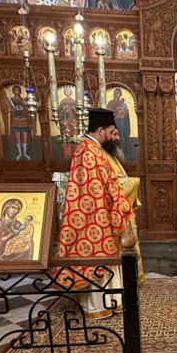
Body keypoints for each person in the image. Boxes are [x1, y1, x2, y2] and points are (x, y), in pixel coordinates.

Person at [55, 109, 136, 319]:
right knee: (99, 259)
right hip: (94, 217)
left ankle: (110, 303)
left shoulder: (90, 149)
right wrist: (118, 209)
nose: (112, 135)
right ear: (100, 130)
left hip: (97, 214)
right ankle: (100, 305)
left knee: (105, 261)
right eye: (111, 131)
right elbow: (99, 189)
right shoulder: (89, 152)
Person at [102, 124, 143, 282]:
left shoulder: (110, 156)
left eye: (117, 134)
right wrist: (135, 182)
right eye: (113, 134)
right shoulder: (103, 157)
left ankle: (131, 279)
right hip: (115, 212)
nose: (117, 137)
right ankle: (127, 280)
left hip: (121, 209)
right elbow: (112, 185)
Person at [5, 85, 32, 160]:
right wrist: (11, 109)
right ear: (13, 91)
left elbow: (27, 109)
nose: (16, 92)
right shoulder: (11, 100)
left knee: (25, 137)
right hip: (16, 120)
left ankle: (25, 153)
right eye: (15, 90)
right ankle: (20, 153)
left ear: (20, 91)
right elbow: (6, 109)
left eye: (18, 90)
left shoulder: (23, 100)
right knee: (18, 138)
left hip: (24, 120)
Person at [107, 87, 131, 154]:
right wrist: (115, 110)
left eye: (119, 94)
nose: (118, 95)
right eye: (117, 93)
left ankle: (123, 152)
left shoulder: (123, 104)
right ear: (114, 94)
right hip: (114, 122)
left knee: (122, 136)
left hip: (122, 123)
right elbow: (108, 111)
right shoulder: (110, 102)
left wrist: (122, 112)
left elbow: (126, 112)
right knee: (114, 136)